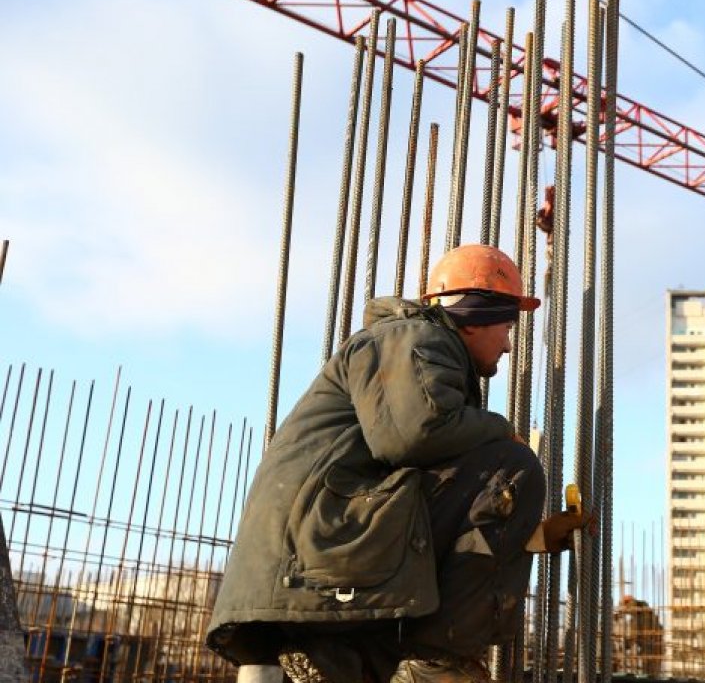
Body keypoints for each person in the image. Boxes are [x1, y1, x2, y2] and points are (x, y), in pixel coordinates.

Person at [207, 244, 587, 683]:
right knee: (513, 467)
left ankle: (331, 659)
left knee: (500, 471)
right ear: (474, 316)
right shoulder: (414, 339)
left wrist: (530, 535)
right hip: (322, 541)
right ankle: (437, 662)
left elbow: (437, 497)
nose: (506, 344)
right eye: (506, 324)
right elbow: (413, 434)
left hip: (329, 539)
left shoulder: (417, 352)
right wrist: (501, 430)